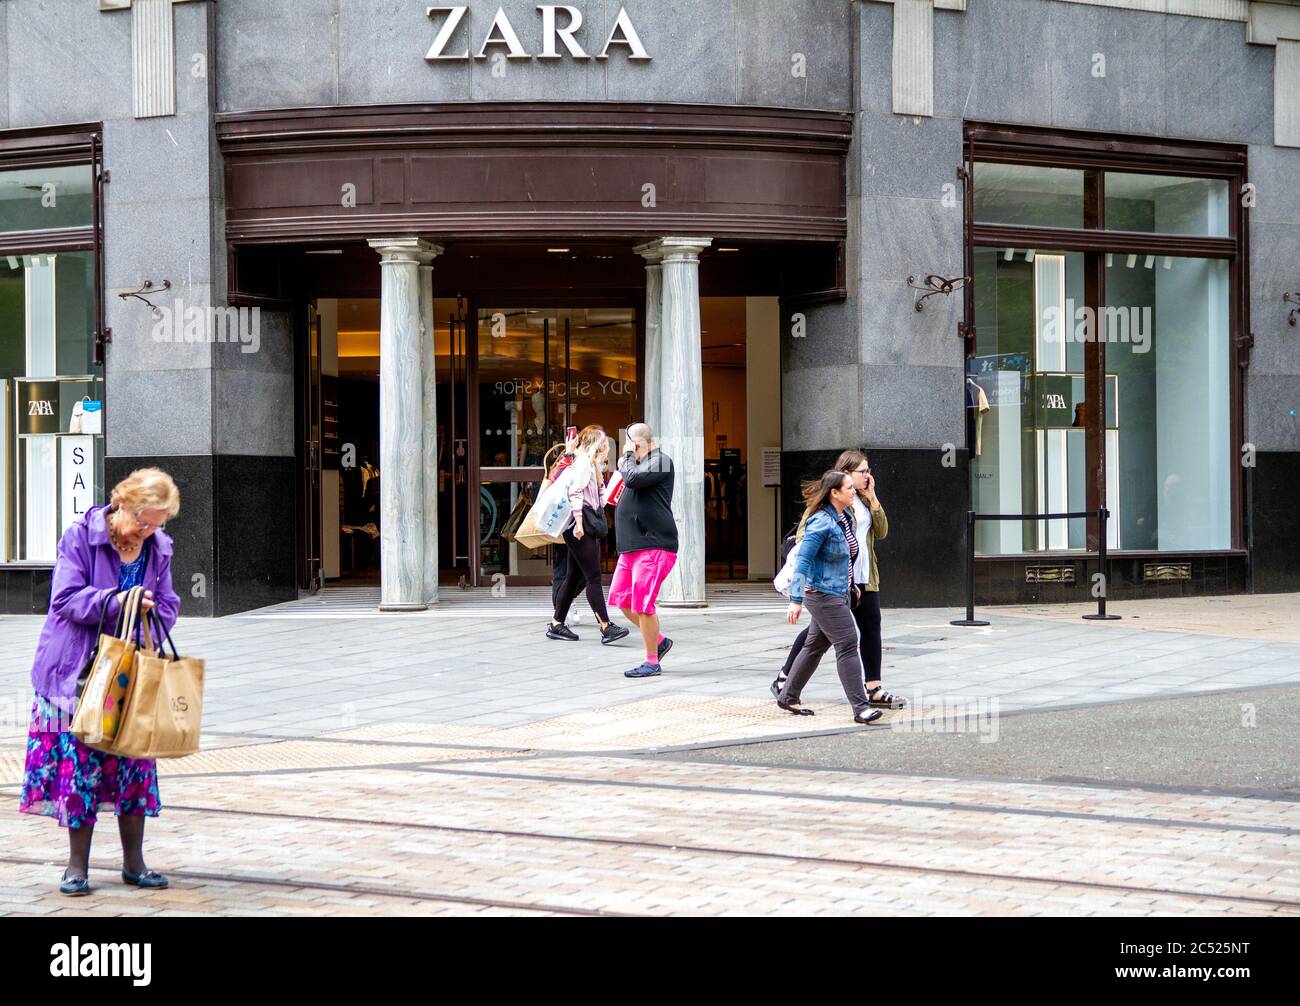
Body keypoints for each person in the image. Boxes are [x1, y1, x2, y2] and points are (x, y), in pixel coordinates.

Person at [19, 468, 183, 895]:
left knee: (135, 766)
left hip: (130, 675)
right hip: (77, 673)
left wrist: (151, 609)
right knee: (81, 770)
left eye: (156, 524)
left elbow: (168, 604)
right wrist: (116, 600)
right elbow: (65, 600)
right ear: (123, 504)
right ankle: (77, 867)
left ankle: (135, 863)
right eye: (143, 521)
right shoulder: (81, 537)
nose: (148, 531)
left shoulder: (157, 548)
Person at [771, 450, 904, 709]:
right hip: (828, 586)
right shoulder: (827, 513)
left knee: (866, 628)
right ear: (845, 476)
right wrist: (796, 598)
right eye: (862, 471)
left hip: (860, 578)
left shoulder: (863, 501)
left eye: (868, 470)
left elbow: (883, 531)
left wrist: (873, 498)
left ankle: (872, 688)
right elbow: (804, 549)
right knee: (836, 640)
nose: (868, 476)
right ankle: (857, 705)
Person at [546, 425, 629, 644]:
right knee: (593, 577)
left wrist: (605, 484)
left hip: (582, 525)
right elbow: (575, 492)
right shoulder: (583, 462)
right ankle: (605, 626)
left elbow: (599, 499)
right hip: (579, 526)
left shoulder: (590, 464)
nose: (608, 448)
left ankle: (556, 624)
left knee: (574, 577)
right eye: (605, 444)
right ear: (597, 445)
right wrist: (580, 523)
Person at [610, 422, 678, 678]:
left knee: (643, 605)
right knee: (621, 599)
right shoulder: (639, 463)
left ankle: (652, 661)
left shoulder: (661, 461)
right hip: (632, 547)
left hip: (654, 545)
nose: (626, 451)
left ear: (637, 445)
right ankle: (658, 641)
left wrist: (627, 457)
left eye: (629, 446)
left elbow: (633, 479)